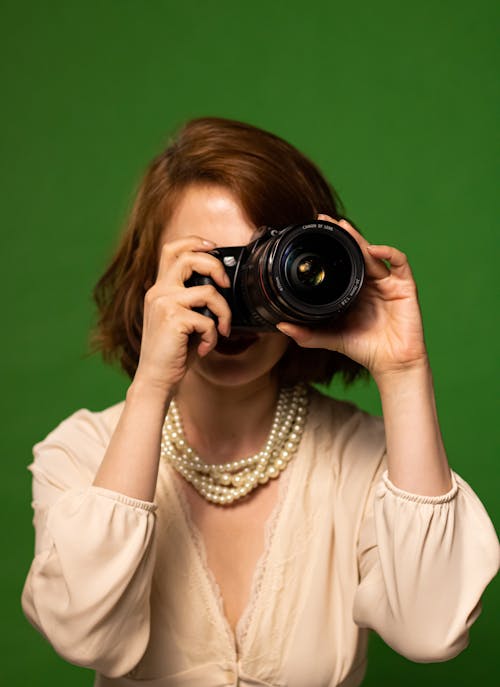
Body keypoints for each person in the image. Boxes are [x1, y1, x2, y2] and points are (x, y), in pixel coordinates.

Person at [21, 117, 499, 687]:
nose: (235, 302)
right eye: (210, 269)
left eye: (263, 267)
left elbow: (430, 632)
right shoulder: (78, 455)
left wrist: (403, 371)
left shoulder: (369, 461)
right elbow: (84, 635)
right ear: (150, 284)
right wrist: (152, 385)